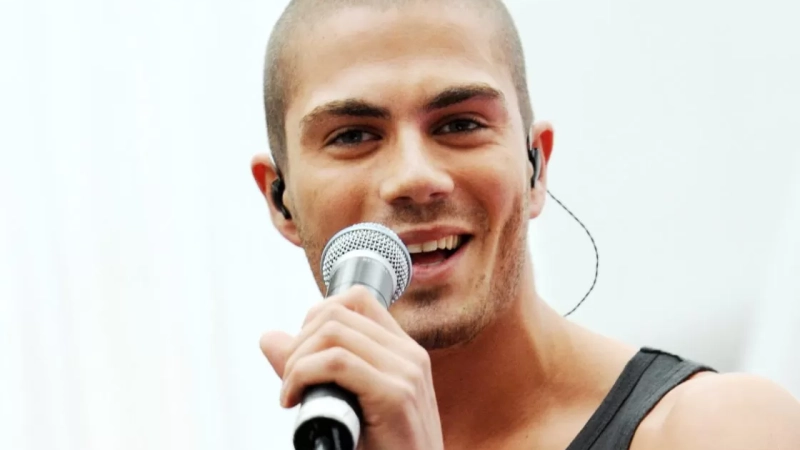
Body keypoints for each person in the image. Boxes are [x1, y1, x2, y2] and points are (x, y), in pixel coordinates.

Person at [249, 0, 800, 448]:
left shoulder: (714, 428)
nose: (415, 178)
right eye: (352, 136)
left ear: (536, 167)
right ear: (280, 199)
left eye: (459, 124)